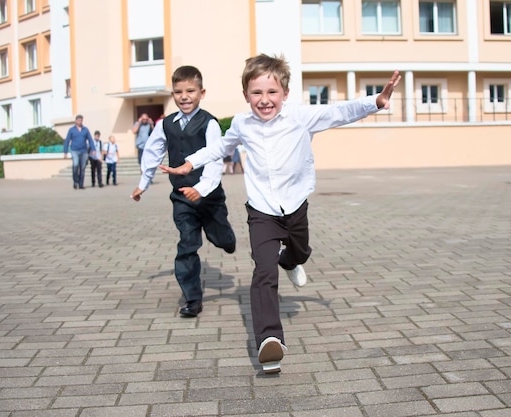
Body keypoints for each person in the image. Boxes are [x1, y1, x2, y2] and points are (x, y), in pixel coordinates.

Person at [160, 54, 401, 374]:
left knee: (299, 251)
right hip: (261, 211)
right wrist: (190, 163)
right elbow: (219, 148)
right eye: (256, 93)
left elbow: (338, 112)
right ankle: (269, 340)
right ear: (246, 95)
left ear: (285, 94)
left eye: (272, 92)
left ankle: (291, 260)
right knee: (263, 271)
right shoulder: (242, 123)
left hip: (296, 204)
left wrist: (376, 101)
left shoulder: (300, 116)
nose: (264, 100)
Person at [131, 65, 237, 319]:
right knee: (187, 245)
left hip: (209, 197)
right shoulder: (166, 124)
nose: (184, 96)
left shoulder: (209, 123)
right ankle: (192, 298)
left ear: (202, 92)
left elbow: (214, 159)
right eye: (178, 92)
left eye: (190, 90)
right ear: (173, 94)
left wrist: (200, 189)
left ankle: (225, 238)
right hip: (181, 197)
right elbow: (153, 151)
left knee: (223, 240)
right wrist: (143, 183)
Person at [64, 114, 96, 190]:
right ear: (76, 121)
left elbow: (90, 139)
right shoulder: (71, 130)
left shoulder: (85, 129)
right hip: (74, 150)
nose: (80, 121)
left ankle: (81, 184)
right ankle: (75, 182)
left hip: (84, 151)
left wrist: (93, 149)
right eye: (78, 120)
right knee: (75, 165)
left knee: (82, 168)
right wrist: (65, 152)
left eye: (81, 120)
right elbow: (67, 140)